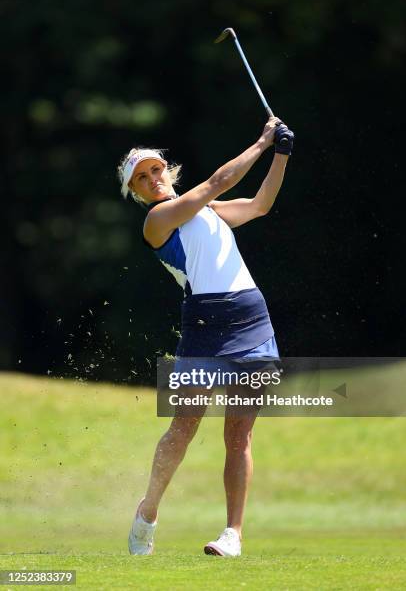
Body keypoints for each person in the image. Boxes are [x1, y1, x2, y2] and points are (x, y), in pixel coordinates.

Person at [118, 116, 294, 557]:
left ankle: (233, 533)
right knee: (183, 427)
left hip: (252, 319)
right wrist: (262, 141)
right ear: (136, 192)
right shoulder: (159, 221)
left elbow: (260, 205)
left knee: (239, 436)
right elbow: (217, 180)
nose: (152, 179)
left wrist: (282, 155)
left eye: (155, 169)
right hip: (204, 326)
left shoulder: (211, 213)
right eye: (141, 178)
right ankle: (148, 514)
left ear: (167, 171)